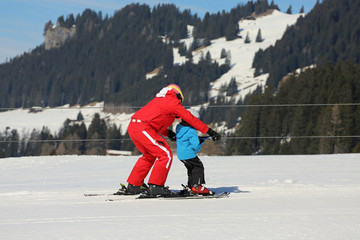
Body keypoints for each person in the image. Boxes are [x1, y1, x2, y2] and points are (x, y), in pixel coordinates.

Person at [122, 84, 221, 197]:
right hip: (143, 128)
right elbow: (190, 118)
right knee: (165, 154)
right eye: (180, 100)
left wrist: (168, 133)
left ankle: (134, 185)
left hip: (134, 126)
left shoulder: (160, 100)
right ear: (178, 95)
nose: (180, 103)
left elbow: (157, 120)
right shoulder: (172, 100)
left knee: (149, 155)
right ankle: (156, 186)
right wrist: (209, 131)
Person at [175, 109, 213, 195]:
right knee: (198, 167)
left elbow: (186, 139)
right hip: (189, 154)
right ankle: (197, 187)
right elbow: (196, 146)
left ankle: (191, 185)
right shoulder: (192, 131)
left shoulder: (179, 128)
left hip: (181, 155)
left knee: (191, 169)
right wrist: (201, 141)